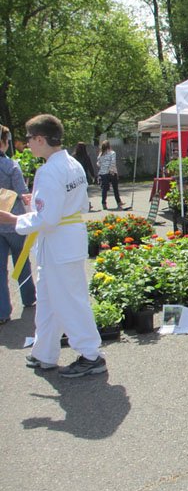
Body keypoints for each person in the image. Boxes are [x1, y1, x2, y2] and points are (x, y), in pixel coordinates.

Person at [0, 114, 106, 377]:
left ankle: (91, 354)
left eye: (28, 139)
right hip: (64, 239)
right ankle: (44, 352)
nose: (27, 144)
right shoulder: (72, 164)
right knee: (48, 300)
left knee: (70, 301)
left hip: (58, 241)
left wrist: (13, 219)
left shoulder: (49, 170)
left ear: (40, 139)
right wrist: (32, 203)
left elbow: (47, 218)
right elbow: (72, 204)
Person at [0, 125, 36, 324]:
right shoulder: (11, 166)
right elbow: (23, 193)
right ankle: (29, 297)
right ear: (4, 143)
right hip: (14, 221)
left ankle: (2, 311)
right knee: (21, 261)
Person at [97, 140, 124, 210]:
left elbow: (98, 163)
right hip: (111, 173)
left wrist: (103, 167)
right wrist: (111, 170)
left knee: (104, 189)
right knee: (115, 188)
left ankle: (104, 203)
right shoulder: (112, 153)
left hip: (103, 173)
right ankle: (118, 202)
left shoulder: (101, 154)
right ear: (109, 146)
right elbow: (113, 162)